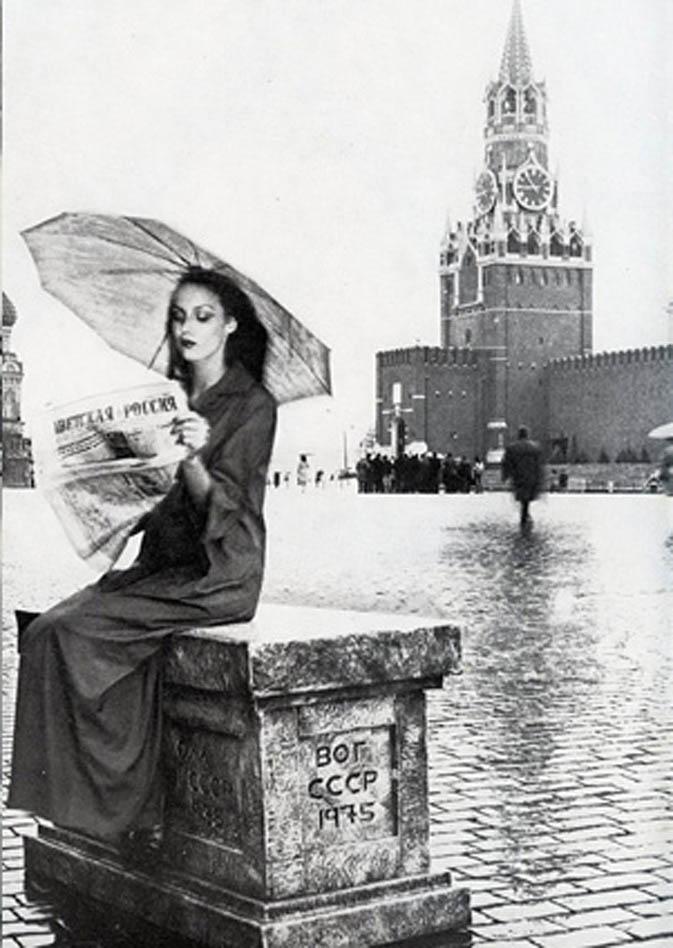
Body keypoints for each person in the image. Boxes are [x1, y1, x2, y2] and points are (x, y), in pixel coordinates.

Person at [9, 267, 277, 860]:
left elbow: (228, 508)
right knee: (45, 629)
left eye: (203, 317)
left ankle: (126, 807)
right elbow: (154, 502)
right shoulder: (171, 396)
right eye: (179, 316)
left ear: (230, 325)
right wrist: (106, 488)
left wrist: (192, 456)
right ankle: (98, 804)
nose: (187, 328)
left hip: (219, 573)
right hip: (166, 565)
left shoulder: (253, 405)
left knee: (70, 632)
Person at [501, 425, 544, 529]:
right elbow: (539, 465)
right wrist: (541, 479)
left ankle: (524, 516)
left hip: (518, 477)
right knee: (526, 499)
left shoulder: (512, 448)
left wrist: (505, 476)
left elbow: (507, 463)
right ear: (527, 435)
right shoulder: (535, 448)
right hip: (531, 478)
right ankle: (525, 515)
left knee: (523, 498)